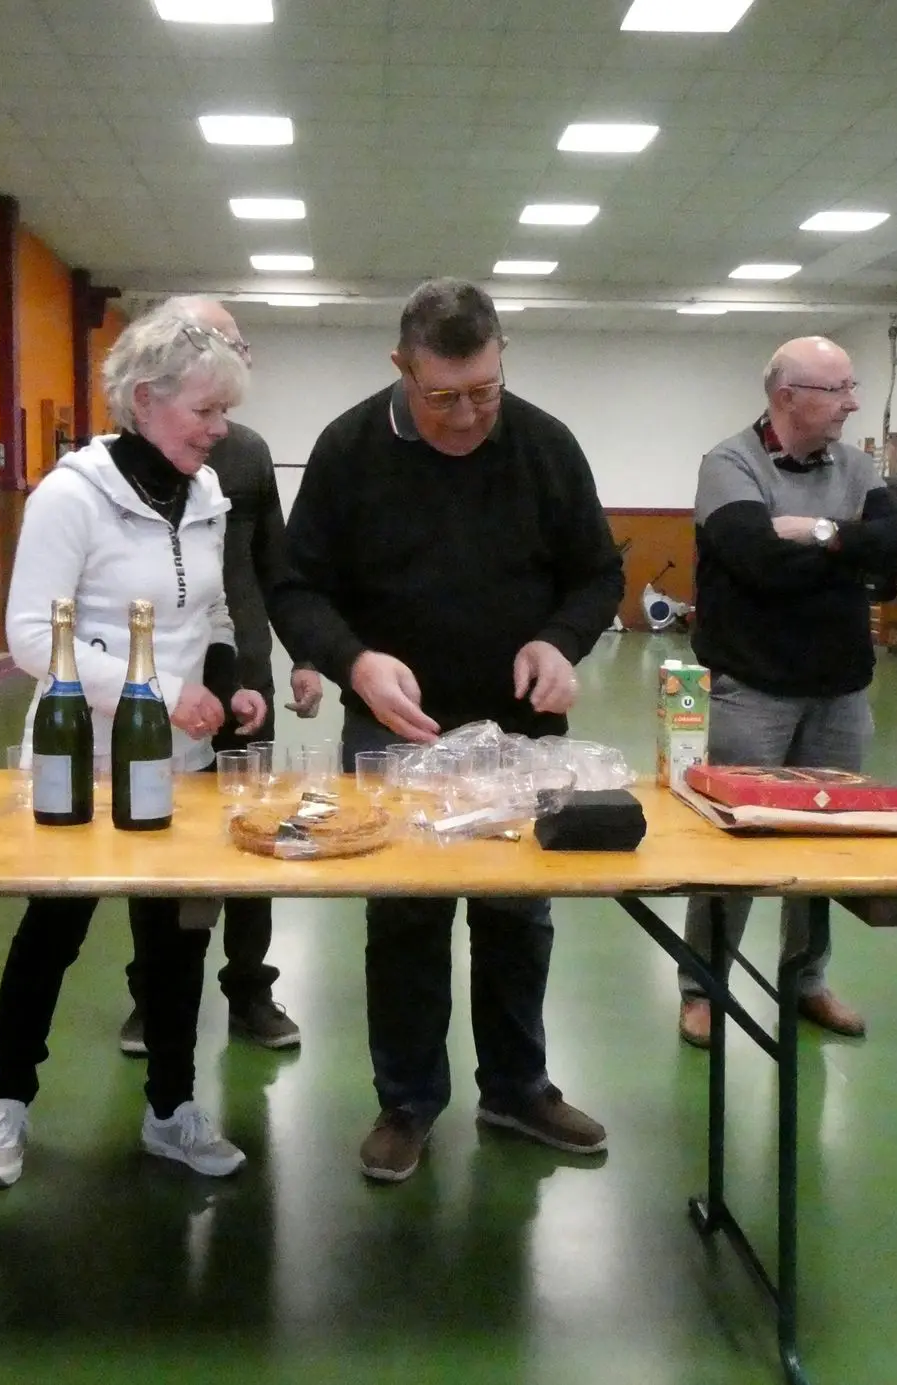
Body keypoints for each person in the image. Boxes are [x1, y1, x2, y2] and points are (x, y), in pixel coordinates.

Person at [273, 277, 624, 1184]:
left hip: (521, 732)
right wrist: (354, 661)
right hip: (394, 728)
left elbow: (597, 574)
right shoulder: (348, 449)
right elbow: (297, 587)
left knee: (519, 913)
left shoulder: (545, 445)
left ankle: (516, 1087)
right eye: (443, 397)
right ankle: (407, 1100)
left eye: (484, 391)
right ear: (402, 367)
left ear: (503, 361)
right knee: (405, 916)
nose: (467, 417)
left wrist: (560, 640)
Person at [0, 303, 265, 1187]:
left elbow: (211, 611)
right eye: (204, 410)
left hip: (179, 764)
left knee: (176, 946)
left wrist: (226, 680)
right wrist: (162, 691)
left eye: (224, 411)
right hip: (82, 761)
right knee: (51, 936)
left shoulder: (205, 494)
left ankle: (172, 1111)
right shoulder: (71, 496)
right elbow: (32, 637)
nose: (219, 429)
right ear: (144, 400)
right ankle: (7, 1106)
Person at [676, 336, 897, 1048]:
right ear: (787, 397)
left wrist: (818, 533)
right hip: (752, 688)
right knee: (736, 843)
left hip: (840, 690)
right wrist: (853, 556)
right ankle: (703, 985)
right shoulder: (730, 464)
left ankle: (806, 979)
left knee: (825, 844)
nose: (852, 403)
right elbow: (759, 562)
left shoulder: (856, 466)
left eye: (852, 386)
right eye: (838, 389)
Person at [117, 298, 321, 1058]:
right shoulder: (123, 464)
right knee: (158, 837)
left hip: (244, 678)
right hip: (162, 682)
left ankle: (249, 990)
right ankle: (153, 994)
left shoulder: (246, 454)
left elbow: (276, 564)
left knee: (254, 835)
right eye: (223, 346)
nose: (238, 361)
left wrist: (305, 656)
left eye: (241, 349)